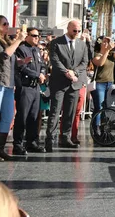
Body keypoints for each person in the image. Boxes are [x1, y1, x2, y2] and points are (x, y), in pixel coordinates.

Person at [0, 15, 27, 162]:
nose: (7, 26)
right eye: (4, 24)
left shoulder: (6, 41)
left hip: (8, 83)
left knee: (8, 117)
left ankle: (0, 148)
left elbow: (10, 60)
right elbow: (4, 55)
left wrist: (21, 62)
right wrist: (19, 40)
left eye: (8, 24)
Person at [45, 20, 88, 152]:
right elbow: (55, 60)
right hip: (59, 83)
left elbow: (84, 62)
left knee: (70, 112)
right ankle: (49, 139)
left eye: (78, 31)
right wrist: (66, 72)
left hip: (74, 83)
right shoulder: (56, 42)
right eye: (74, 30)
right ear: (68, 28)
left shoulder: (82, 45)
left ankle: (66, 138)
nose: (76, 33)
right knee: (55, 111)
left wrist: (74, 72)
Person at [13, 27, 46, 155]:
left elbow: (43, 65)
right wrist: (37, 75)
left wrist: (42, 74)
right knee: (22, 116)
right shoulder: (21, 49)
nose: (37, 38)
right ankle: (18, 144)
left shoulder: (37, 50)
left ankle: (32, 142)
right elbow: (22, 67)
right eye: (34, 35)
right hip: (25, 86)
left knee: (34, 116)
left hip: (35, 87)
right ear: (27, 36)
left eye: (38, 36)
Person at [92, 36, 115, 120]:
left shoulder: (111, 55)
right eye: (104, 42)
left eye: (108, 42)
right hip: (99, 83)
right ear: (99, 43)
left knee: (106, 106)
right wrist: (106, 50)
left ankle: (103, 126)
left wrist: (114, 42)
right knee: (99, 107)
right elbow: (100, 63)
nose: (106, 44)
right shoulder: (96, 54)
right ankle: (96, 127)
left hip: (110, 83)